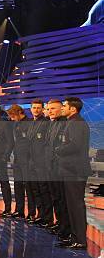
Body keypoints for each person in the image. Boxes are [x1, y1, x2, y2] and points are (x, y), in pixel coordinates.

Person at [54, 97, 91, 250]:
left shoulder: (76, 123)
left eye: (64, 106)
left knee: (76, 206)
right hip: (70, 169)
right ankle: (74, 237)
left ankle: (80, 240)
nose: (62, 108)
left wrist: (58, 149)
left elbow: (74, 146)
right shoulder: (73, 122)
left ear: (73, 109)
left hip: (74, 170)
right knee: (72, 206)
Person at [45, 99, 71, 240]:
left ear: (61, 109)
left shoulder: (65, 124)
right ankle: (60, 224)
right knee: (56, 198)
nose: (50, 111)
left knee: (62, 199)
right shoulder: (51, 124)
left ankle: (66, 229)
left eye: (53, 109)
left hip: (61, 168)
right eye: (48, 109)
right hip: (51, 167)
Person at [7, 104, 34, 220]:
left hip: (27, 159)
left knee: (29, 187)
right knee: (18, 186)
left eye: (13, 116)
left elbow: (30, 143)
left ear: (19, 112)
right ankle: (19, 210)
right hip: (17, 158)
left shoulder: (29, 123)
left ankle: (31, 213)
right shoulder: (16, 124)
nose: (12, 119)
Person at [28, 99, 52, 225]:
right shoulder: (31, 123)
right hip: (32, 163)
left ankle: (48, 218)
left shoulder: (46, 123)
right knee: (36, 190)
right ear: (31, 109)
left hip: (42, 163)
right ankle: (40, 215)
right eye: (34, 107)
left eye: (38, 108)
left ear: (42, 109)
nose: (36, 110)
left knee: (44, 190)